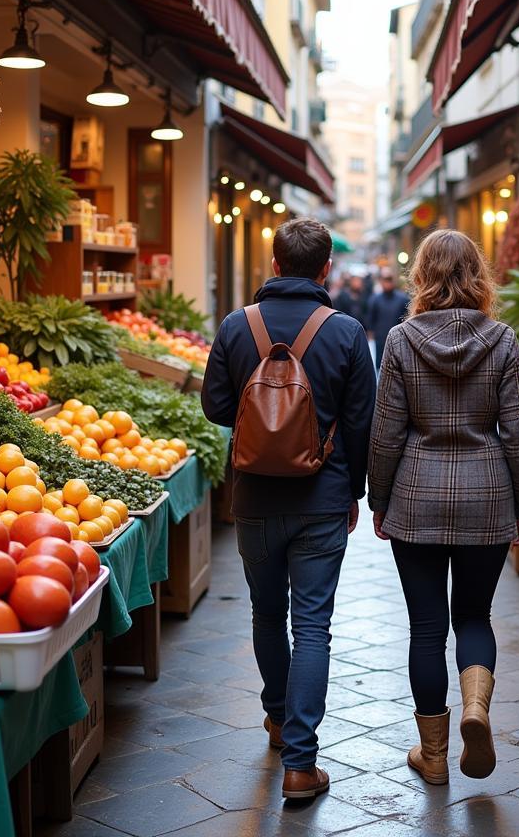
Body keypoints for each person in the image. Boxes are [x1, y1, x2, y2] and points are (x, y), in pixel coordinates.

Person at [201, 218, 376, 801]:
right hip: (322, 500)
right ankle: (301, 764)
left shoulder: (234, 326)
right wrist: (355, 492)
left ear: (273, 265)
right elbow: (360, 425)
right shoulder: (347, 332)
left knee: (265, 613)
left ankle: (277, 718)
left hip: (253, 497)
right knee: (313, 626)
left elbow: (215, 408)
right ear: (326, 269)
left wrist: (261, 424)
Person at [367, 229, 519, 786]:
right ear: (477, 275)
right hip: (487, 498)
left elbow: (386, 432)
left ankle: (434, 755)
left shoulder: (399, 339)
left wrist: (380, 498)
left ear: (421, 275)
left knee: (424, 627)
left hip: (416, 497)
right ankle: (475, 709)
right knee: (473, 616)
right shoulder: (503, 339)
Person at [366, 268, 410, 369]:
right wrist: (371, 333)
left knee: (397, 365)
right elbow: (371, 317)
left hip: (398, 338)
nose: (387, 283)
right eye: (385, 279)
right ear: (381, 281)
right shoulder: (375, 299)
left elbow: (407, 317)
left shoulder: (403, 299)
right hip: (380, 338)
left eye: (389, 279)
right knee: (380, 365)